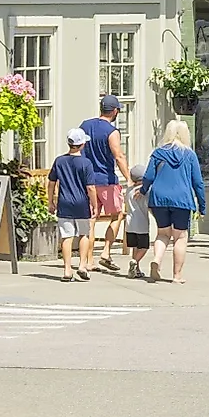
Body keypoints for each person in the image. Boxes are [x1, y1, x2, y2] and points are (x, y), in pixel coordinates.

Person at [139, 121, 205, 284]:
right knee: (180, 236)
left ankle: (157, 259)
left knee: (162, 233)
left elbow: (148, 176)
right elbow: (198, 182)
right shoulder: (189, 155)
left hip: (159, 198)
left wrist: (142, 190)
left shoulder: (158, 153)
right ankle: (177, 275)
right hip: (182, 199)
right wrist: (202, 206)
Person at [79, 95, 130, 272]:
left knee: (90, 220)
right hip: (107, 180)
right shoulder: (112, 131)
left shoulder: (85, 125)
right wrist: (129, 177)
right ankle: (106, 252)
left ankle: (88, 260)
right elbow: (118, 156)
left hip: (88, 180)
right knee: (117, 215)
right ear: (115, 111)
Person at [49, 127, 97, 280]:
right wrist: (94, 204)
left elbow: (51, 182)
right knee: (84, 234)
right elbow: (90, 187)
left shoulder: (60, 161)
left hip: (64, 202)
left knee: (66, 236)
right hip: (81, 202)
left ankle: (67, 269)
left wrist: (50, 201)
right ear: (82, 144)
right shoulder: (86, 163)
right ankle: (82, 265)